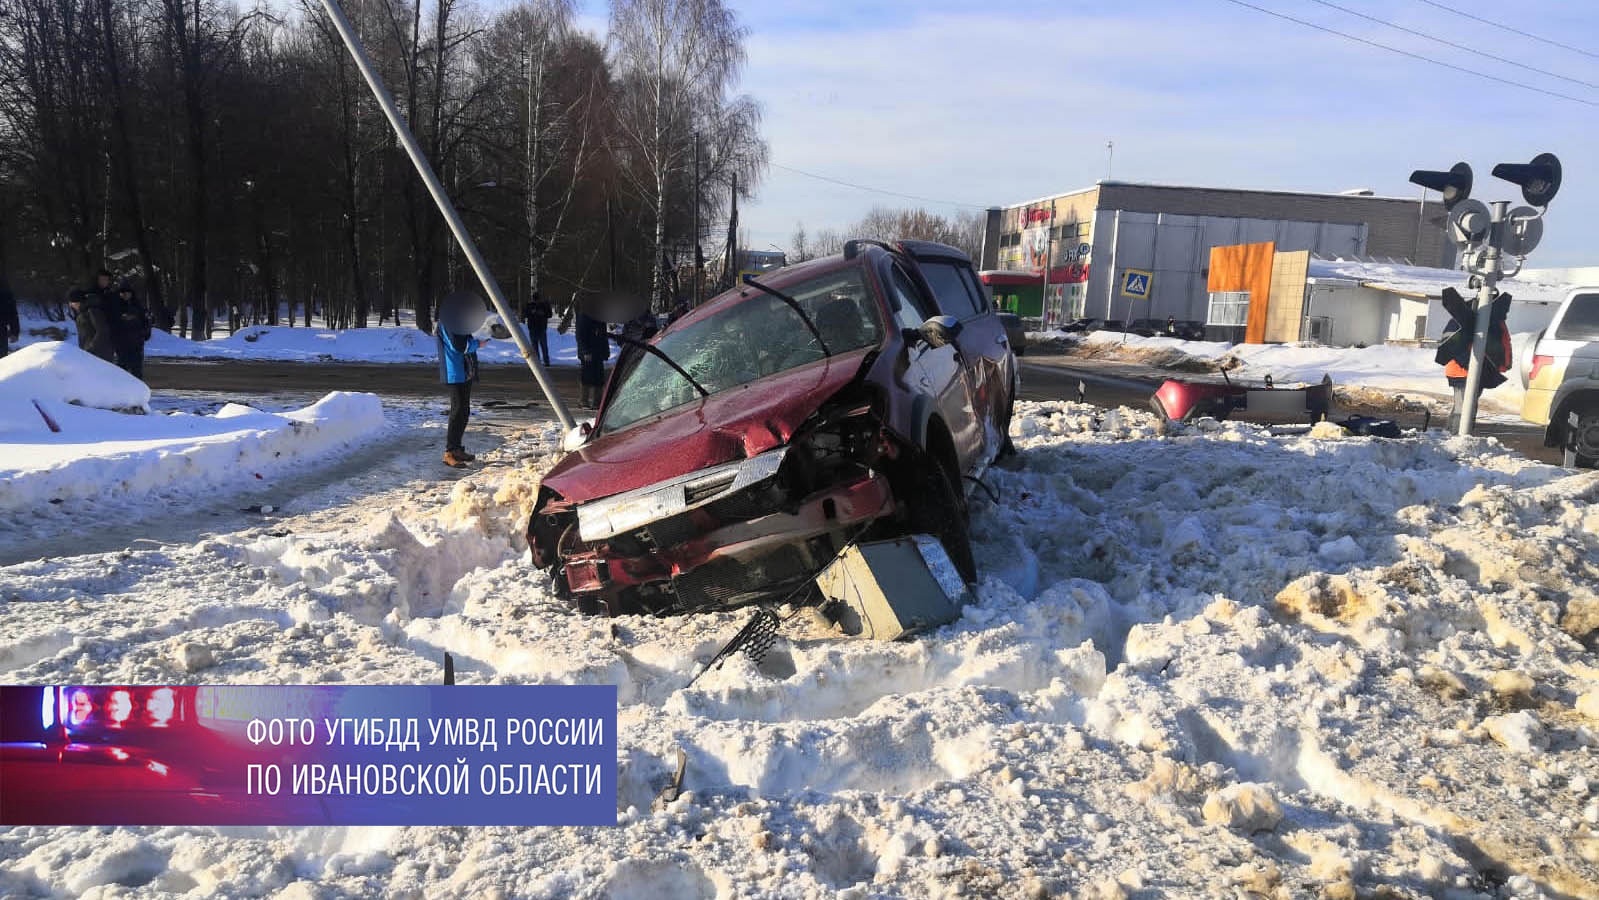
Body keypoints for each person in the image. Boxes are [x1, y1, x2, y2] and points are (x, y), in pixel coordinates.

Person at [1437, 287, 1512, 432]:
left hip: (1477, 370)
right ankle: (1456, 437)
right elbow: (1451, 343)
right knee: (1464, 409)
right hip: (1462, 372)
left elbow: (1502, 344)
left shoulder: (1491, 320)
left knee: (1464, 407)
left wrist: (1501, 364)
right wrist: (1471, 366)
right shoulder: (1465, 317)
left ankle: (1453, 435)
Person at [436, 290, 488, 468]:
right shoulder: (447, 324)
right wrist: (477, 344)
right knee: (457, 411)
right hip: (455, 372)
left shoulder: (457, 323)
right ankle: (449, 452)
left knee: (464, 411)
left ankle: (457, 448)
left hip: (464, 371)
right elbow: (459, 346)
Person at [70, 269, 116, 362]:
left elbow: (102, 331)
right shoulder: (83, 311)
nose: (71, 305)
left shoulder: (92, 309)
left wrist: (90, 349)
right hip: (92, 352)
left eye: (72, 303)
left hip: (98, 354)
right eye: (102, 279)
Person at [110, 280, 152, 379]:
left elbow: (146, 322)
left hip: (136, 343)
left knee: (136, 371)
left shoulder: (138, 306)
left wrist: (144, 333)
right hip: (121, 344)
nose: (125, 295)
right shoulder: (116, 306)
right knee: (122, 372)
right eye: (123, 293)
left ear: (131, 293)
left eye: (127, 292)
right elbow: (112, 323)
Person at [575, 306, 611, 410]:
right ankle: (583, 401)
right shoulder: (584, 315)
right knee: (587, 376)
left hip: (598, 352)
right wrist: (585, 351)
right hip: (588, 353)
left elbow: (603, 336)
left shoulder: (600, 318)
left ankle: (597, 402)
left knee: (599, 377)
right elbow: (580, 335)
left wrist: (605, 351)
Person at [522, 291, 552, 366]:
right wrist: (532, 312)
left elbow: (549, 314)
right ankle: (540, 362)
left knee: (540, 346)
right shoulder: (530, 305)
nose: (536, 301)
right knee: (538, 347)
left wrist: (542, 313)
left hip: (539, 328)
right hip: (535, 328)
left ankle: (544, 361)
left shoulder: (543, 305)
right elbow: (525, 314)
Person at [0, 277, 18, 359]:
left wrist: (14, 332)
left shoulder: (5, 293)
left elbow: (13, 314)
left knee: (2, 362)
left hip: (1, 332)